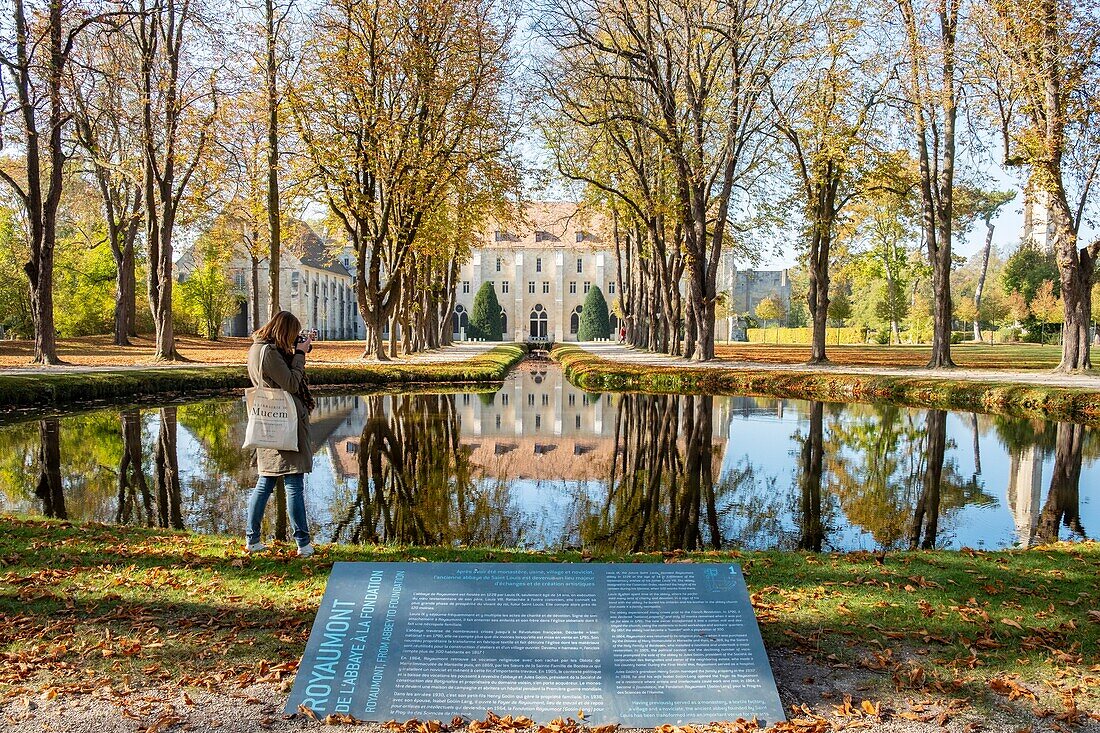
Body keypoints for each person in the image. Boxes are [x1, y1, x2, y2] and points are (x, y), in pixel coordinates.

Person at [245, 311, 316, 557]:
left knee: (265, 482)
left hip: (270, 422)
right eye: (293, 334)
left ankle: (252, 539)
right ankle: (303, 544)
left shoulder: (259, 348)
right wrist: (299, 355)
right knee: (293, 483)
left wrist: (299, 351)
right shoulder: (269, 353)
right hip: (283, 423)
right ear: (284, 331)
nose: (294, 338)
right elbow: (292, 384)